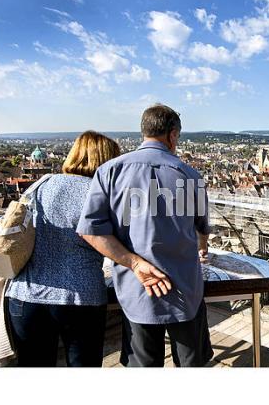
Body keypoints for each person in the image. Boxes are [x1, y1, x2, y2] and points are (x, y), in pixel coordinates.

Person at [77, 104, 213, 367]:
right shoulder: (191, 176)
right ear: (172, 135)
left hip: (137, 289)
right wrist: (199, 247)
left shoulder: (110, 172)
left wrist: (135, 263)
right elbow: (201, 234)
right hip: (185, 291)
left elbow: (91, 231)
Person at [5, 131, 121, 367]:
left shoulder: (41, 184)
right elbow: (114, 242)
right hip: (80, 297)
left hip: (26, 294)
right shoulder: (99, 193)